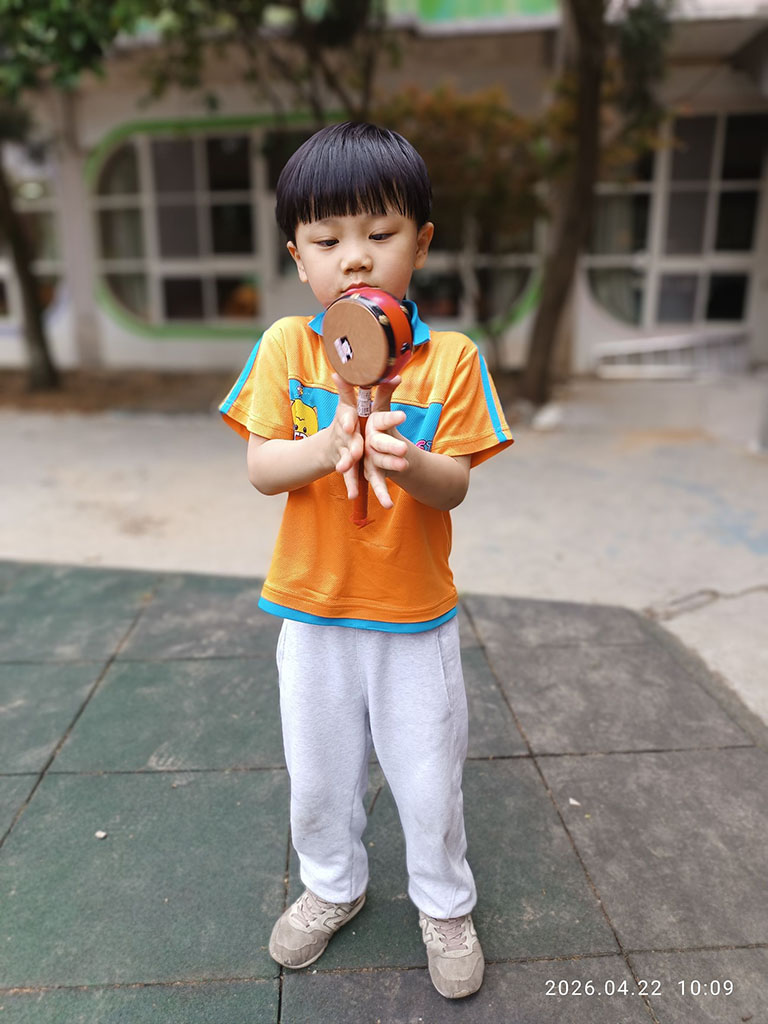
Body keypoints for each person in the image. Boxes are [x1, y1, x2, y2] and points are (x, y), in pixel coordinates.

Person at [220, 121, 513, 1000]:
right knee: (318, 776)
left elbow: (455, 485)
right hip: (311, 613)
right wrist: (328, 446)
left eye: (380, 233)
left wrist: (408, 462)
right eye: (326, 240)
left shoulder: (451, 360)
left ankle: (445, 904)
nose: (354, 257)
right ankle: (332, 886)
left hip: (412, 617)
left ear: (420, 244)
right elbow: (263, 467)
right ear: (297, 256)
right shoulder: (288, 347)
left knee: (428, 781)